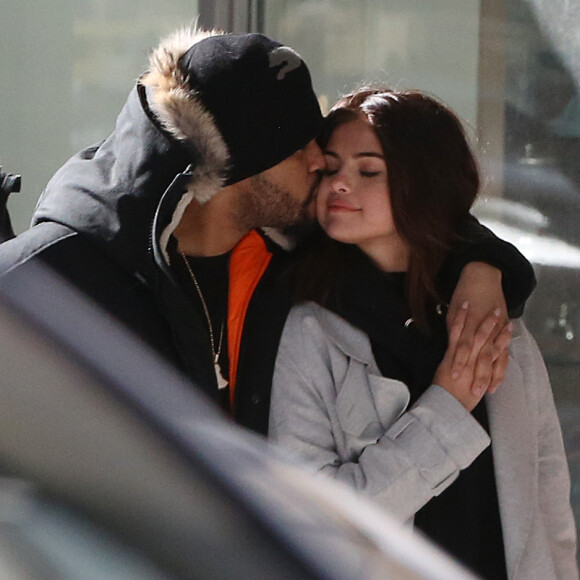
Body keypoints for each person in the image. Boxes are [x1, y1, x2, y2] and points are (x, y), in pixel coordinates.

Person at [0, 29, 534, 436]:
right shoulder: (45, 277)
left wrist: (484, 266)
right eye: (300, 144)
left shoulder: (290, 247)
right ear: (241, 160)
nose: (320, 158)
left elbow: (422, 219)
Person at [269, 88, 577, 579]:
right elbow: (317, 522)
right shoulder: (310, 326)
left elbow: (547, 496)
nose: (341, 184)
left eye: (368, 171)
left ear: (425, 184)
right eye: (330, 167)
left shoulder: (491, 315)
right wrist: (448, 405)